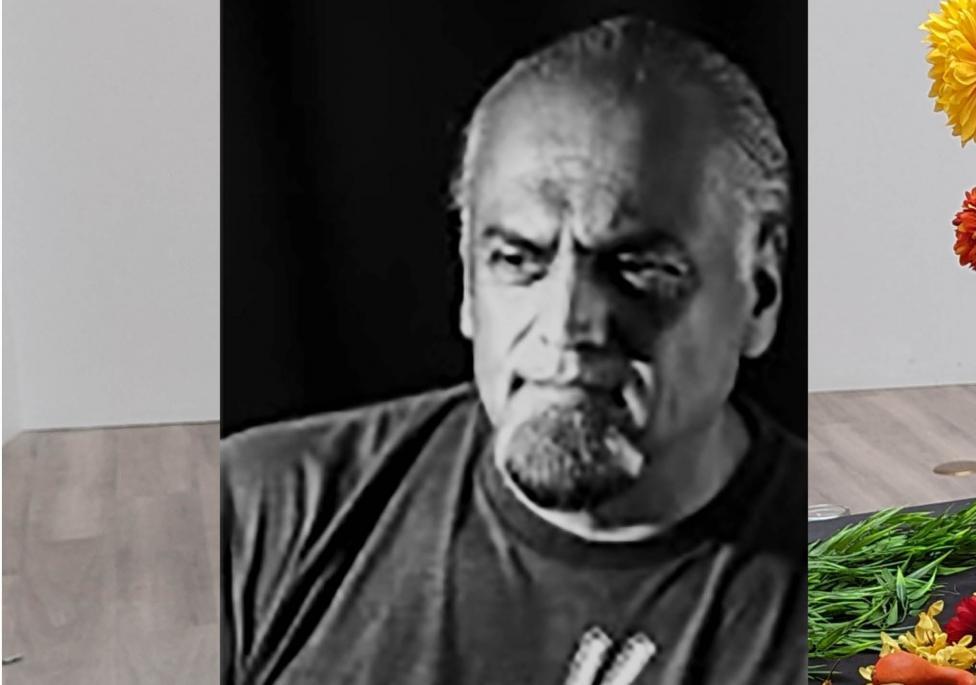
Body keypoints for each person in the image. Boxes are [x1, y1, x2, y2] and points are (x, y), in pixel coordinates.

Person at [220, 16, 800, 684]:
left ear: (760, 291)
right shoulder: (262, 516)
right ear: (468, 284)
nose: (566, 323)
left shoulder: (870, 604)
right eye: (518, 259)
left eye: (638, 267)